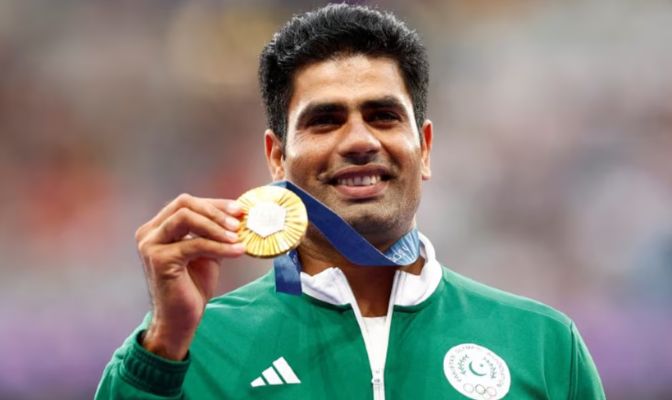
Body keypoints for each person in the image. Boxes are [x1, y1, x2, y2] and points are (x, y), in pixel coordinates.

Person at [96, 4, 605, 399]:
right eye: (325, 120)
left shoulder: (541, 345)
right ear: (277, 158)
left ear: (424, 148)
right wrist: (162, 348)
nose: (360, 140)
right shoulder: (193, 348)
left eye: (383, 115)